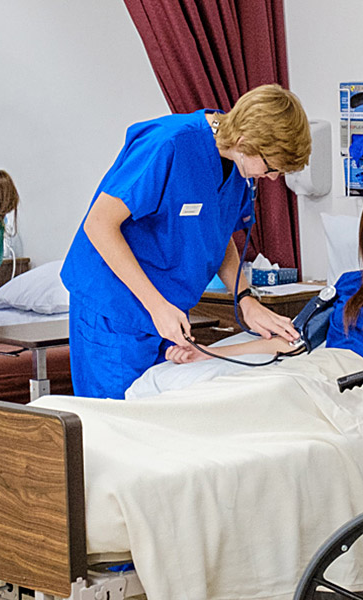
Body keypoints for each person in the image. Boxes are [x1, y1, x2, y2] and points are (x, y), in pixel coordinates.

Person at [60, 84, 310, 399]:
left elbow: (217, 236)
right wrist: (157, 306)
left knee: (161, 418)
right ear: (246, 141)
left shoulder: (237, 170)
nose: (272, 178)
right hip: (115, 310)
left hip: (166, 312)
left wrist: (246, 299)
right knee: (117, 423)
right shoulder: (169, 145)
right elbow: (98, 224)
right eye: (271, 167)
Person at [168, 182, 363, 388]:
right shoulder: (350, 282)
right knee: (248, 392)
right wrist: (207, 353)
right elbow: (294, 343)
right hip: (320, 370)